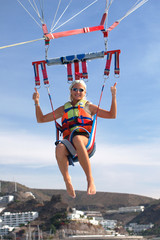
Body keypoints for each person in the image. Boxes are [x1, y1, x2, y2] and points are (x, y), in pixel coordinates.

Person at [32, 80, 117, 198]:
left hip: (86, 143)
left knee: (77, 138)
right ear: (71, 91)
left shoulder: (89, 106)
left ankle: (90, 179)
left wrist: (113, 96)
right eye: (75, 89)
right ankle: (67, 181)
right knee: (59, 147)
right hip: (70, 145)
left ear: (85, 92)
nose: (78, 92)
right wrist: (37, 102)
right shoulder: (63, 109)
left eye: (81, 90)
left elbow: (112, 115)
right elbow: (41, 119)